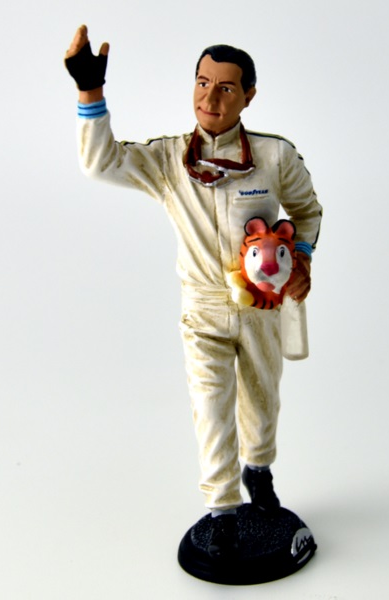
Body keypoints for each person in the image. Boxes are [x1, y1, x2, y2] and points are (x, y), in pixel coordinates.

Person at [65, 25, 322, 559]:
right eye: (202, 83)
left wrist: (300, 258)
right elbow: (101, 162)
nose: (210, 98)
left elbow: (307, 210)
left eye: (226, 87)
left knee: (262, 400)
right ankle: (222, 510)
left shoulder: (274, 156)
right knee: (210, 407)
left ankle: (258, 473)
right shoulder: (169, 161)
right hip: (202, 309)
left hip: (260, 307)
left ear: (249, 95)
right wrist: (90, 92)